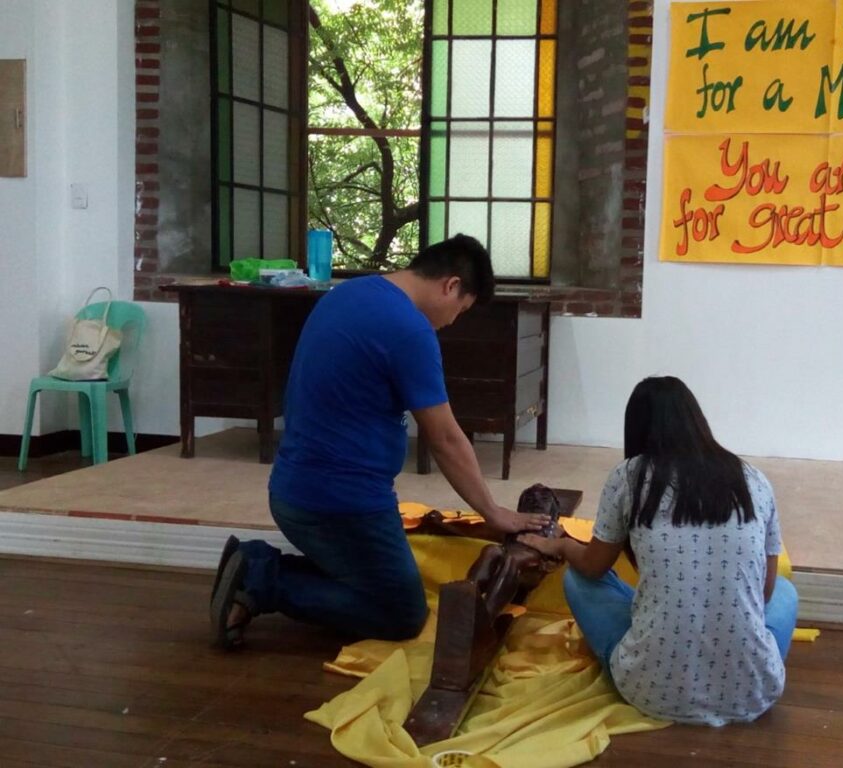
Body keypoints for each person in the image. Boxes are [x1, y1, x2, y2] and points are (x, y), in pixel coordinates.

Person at [210, 234, 548, 649]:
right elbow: (445, 438)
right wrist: (493, 513)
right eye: (460, 310)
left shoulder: (348, 293)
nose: (451, 322)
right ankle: (260, 576)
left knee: (376, 578)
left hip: (292, 488)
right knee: (401, 613)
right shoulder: (408, 329)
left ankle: (257, 569)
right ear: (451, 285)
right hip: (339, 503)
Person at [520, 376, 798, 726]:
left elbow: (592, 566)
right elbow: (765, 592)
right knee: (785, 592)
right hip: (754, 692)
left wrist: (560, 543)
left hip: (650, 691)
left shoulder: (629, 476)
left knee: (578, 580)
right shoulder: (753, 479)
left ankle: (656, 645)